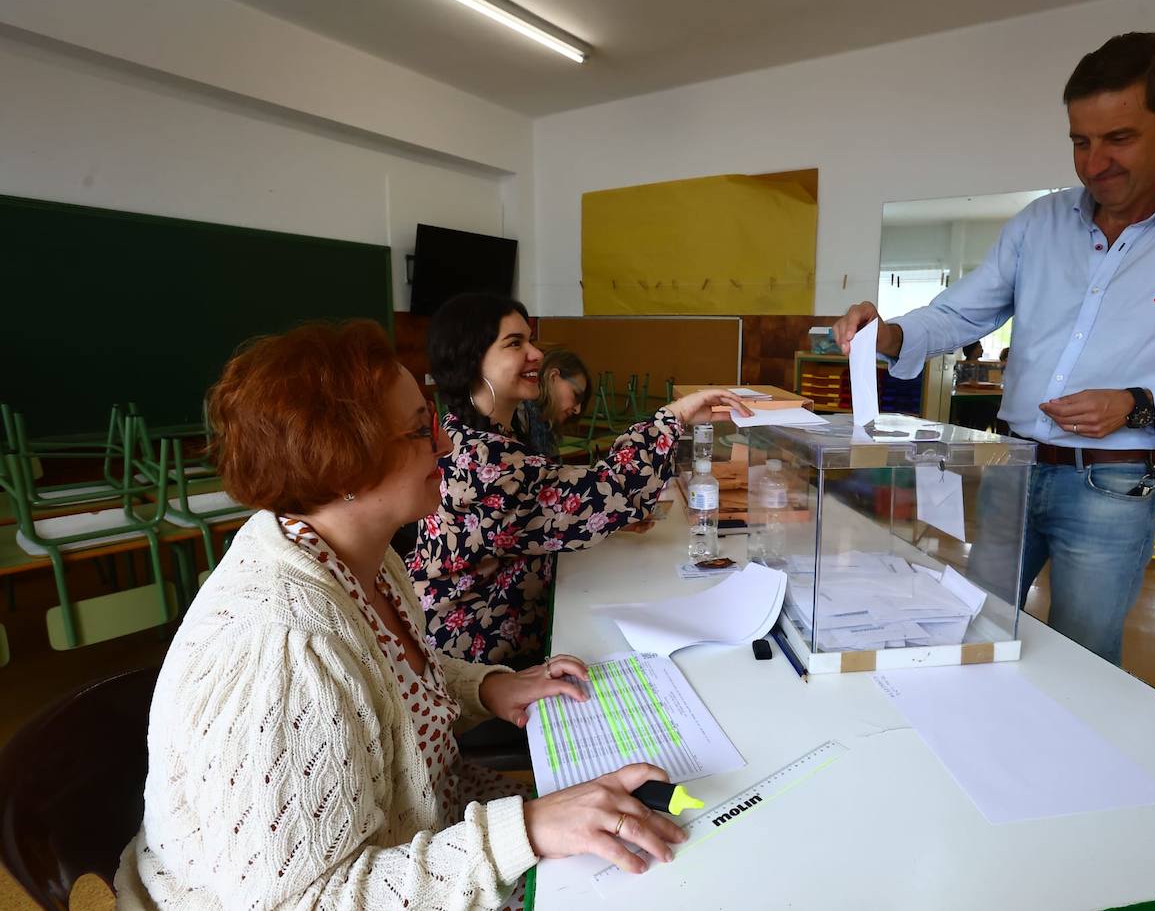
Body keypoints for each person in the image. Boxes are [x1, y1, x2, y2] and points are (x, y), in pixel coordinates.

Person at [115, 321, 687, 910]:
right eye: (420, 431)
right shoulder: (284, 648)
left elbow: (380, 673)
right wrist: (528, 831)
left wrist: (487, 685)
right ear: (342, 466)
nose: (445, 445)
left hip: (422, 833)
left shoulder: (354, 550)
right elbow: (300, 901)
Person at [833, 32, 1155, 665]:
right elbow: (961, 312)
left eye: (1119, 138)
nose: (1094, 164)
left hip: (1113, 483)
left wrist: (1135, 405)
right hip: (1011, 466)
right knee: (974, 624)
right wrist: (890, 334)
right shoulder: (1040, 223)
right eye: (1079, 141)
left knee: (1082, 653)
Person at [411, 294, 748, 667]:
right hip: (473, 654)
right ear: (471, 359)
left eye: (531, 340)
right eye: (514, 343)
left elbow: (547, 505)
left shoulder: (481, 430)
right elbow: (606, 489)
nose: (537, 354)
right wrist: (675, 415)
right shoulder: (481, 458)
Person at [514, 347, 592, 460]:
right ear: (553, 377)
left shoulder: (547, 430)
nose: (578, 409)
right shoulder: (516, 415)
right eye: (576, 395)